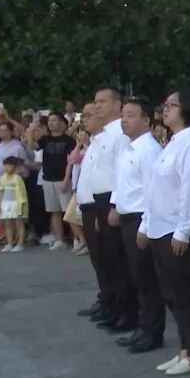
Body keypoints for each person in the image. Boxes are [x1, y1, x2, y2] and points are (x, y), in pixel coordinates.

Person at [147, 90, 190, 377]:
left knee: (186, 293)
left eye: (173, 105)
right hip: (160, 227)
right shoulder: (174, 142)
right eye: (165, 104)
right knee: (172, 293)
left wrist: (184, 230)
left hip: (176, 229)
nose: (166, 109)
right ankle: (186, 348)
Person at [109, 98, 164, 353]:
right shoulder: (128, 148)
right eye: (123, 115)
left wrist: (145, 225)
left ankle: (153, 331)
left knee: (146, 278)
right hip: (127, 217)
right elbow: (121, 182)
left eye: (131, 115)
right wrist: (115, 205)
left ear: (146, 120)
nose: (124, 120)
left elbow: (153, 192)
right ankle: (143, 326)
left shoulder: (149, 150)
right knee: (136, 276)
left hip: (141, 218)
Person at [80, 87, 135, 335]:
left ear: (116, 105)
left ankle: (126, 311)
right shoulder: (103, 136)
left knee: (117, 260)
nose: (97, 106)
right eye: (96, 102)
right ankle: (115, 306)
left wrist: (114, 205)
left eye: (102, 102)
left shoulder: (119, 134)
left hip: (111, 200)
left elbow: (120, 174)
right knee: (107, 260)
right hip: (98, 201)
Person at [63, 126, 89, 255]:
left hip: (86, 187)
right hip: (77, 186)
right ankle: (83, 240)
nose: (79, 136)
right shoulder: (78, 149)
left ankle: (87, 243)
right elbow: (72, 159)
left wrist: (84, 144)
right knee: (70, 216)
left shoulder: (90, 149)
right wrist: (78, 145)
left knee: (83, 217)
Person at [0, 156, 28, 252]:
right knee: (8, 224)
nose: (7, 168)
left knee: (19, 224)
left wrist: (22, 205)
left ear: (15, 167)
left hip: (16, 203)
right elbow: (1, 192)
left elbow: (22, 193)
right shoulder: (3, 178)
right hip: (6, 204)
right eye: (5, 165)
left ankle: (20, 243)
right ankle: (9, 243)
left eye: (9, 165)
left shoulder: (17, 178)